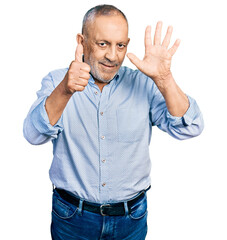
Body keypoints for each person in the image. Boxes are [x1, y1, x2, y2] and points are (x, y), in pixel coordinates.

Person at [23, 4, 204, 240]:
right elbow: (33, 135)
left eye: (121, 45)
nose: (112, 55)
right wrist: (65, 91)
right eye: (102, 44)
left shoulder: (145, 83)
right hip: (72, 218)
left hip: (131, 219)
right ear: (82, 40)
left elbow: (190, 127)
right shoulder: (59, 81)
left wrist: (164, 79)